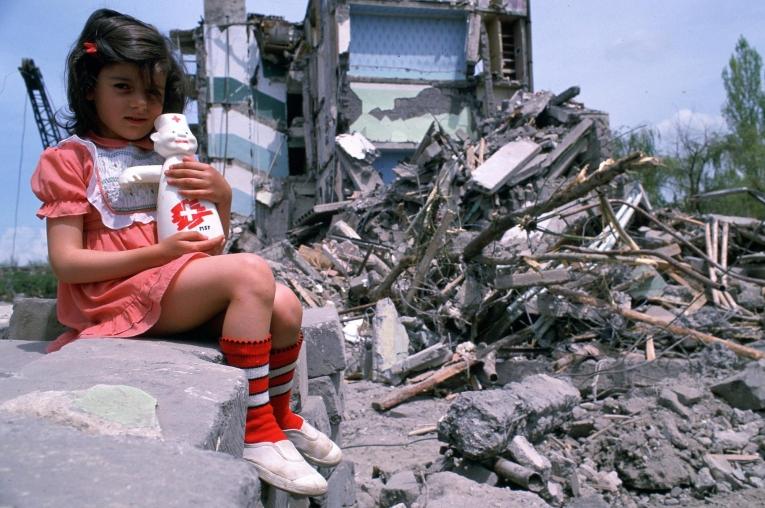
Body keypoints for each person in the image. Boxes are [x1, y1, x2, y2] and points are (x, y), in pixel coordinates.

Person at [30, 8, 340, 497]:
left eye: (152, 92)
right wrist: (161, 254)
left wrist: (218, 196)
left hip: (169, 285)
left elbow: (207, 242)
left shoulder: (168, 157)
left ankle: (280, 415)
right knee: (252, 273)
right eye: (123, 87)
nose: (139, 103)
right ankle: (255, 432)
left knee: (286, 305)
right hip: (113, 296)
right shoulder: (70, 159)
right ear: (90, 87)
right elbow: (67, 263)